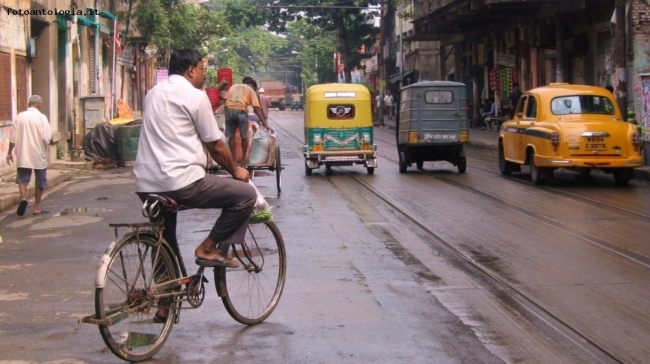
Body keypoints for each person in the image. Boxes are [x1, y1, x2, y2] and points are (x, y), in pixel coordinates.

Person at [134, 49, 256, 275]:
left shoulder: (152, 93)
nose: (203, 76)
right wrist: (235, 169)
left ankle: (164, 304)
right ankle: (208, 248)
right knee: (245, 195)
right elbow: (215, 145)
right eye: (202, 70)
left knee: (164, 239)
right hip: (181, 183)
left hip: (146, 184)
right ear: (191, 70)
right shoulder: (194, 96)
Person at [5, 95, 53, 216]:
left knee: (22, 179)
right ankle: (36, 207)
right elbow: (46, 138)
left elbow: (12, 138)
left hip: (23, 154)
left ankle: (23, 198)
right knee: (40, 181)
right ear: (39, 106)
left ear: (28, 104)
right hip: (38, 154)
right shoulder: (42, 118)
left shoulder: (19, 117)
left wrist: (9, 152)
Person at [224, 76, 274, 164]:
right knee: (244, 136)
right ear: (252, 86)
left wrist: (227, 114)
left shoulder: (233, 87)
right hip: (240, 111)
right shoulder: (250, 90)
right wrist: (266, 124)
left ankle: (234, 160)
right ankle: (244, 160)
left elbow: (225, 100)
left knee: (230, 136)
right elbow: (257, 109)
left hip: (228, 110)